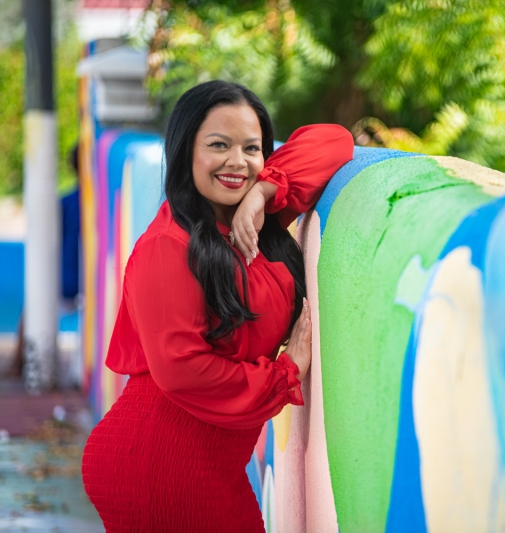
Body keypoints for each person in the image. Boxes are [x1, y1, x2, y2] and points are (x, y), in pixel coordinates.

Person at [81, 80, 354, 532]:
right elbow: (182, 368)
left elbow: (334, 140)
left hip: (209, 467)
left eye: (252, 148)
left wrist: (262, 195)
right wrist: (287, 373)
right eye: (218, 145)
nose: (237, 162)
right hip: (158, 465)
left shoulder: (252, 224)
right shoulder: (168, 247)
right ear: (186, 151)